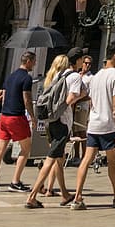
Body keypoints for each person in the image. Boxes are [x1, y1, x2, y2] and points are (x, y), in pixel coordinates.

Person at [25, 48, 87, 208]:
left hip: (51, 121)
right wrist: (81, 95)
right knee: (51, 159)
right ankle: (32, 196)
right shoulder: (74, 76)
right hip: (62, 122)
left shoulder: (60, 74)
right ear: (78, 60)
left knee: (59, 159)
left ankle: (65, 194)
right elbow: (72, 97)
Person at [71, 41, 115, 208]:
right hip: (108, 124)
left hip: (93, 124)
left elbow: (93, 102)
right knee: (112, 162)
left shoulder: (95, 77)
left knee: (86, 160)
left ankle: (78, 197)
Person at [0, 50, 35, 191]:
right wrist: (32, 116)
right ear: (28, 62)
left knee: (0, 149)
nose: (34, 64)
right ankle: (15, 181)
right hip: (17, 116)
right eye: (33, 61)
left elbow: (4, 95)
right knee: (26, 149)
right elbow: (26, 99)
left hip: (4, 116)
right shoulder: (26, 78)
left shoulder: (10, 76)